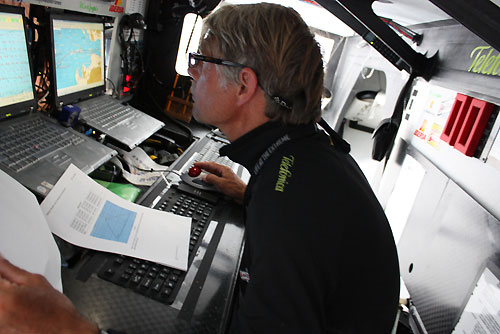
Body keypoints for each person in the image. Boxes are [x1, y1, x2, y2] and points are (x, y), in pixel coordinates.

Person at [0, 3, 400, 333]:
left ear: (243, 86)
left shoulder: (290, 199)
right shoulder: (302, 162)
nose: (191, 72)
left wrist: (70, 328)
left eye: (201, 61)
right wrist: (251, 195)